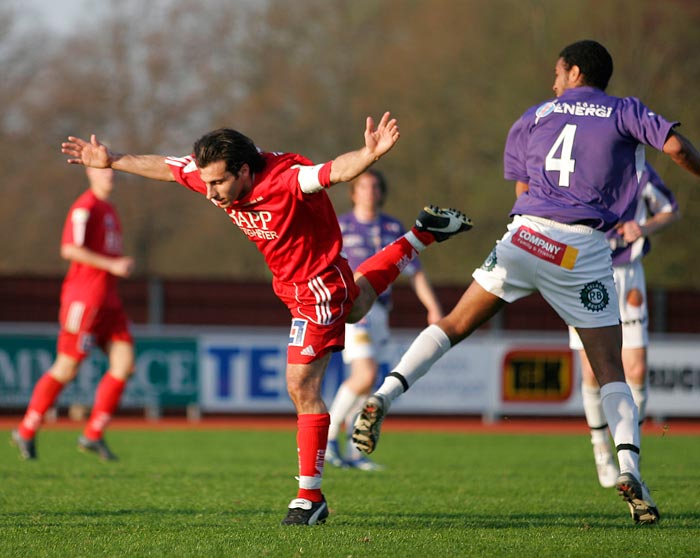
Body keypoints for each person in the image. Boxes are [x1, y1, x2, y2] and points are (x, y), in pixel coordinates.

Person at [59, 112, 472, 526]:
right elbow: (167, 168)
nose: (210, 192)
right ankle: (421, 234)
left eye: (218, 182)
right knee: (359, 304)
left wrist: (368, 154)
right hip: (294, 287)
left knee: (300, 385)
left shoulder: (286, 178)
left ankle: (310, 498)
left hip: (318, 290)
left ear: (242, 169)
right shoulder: (212, 175)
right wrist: (112, 159)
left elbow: (333, 172)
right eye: (206, 182)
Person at [353, 41, 700, 525]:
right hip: (582, 249)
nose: (552, 82)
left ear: (575, 71)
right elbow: (678, 148)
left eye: (557, 73)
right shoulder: (625, 111)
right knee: (610, 372)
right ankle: (629, 470)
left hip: (526, 236)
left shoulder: (534, 116)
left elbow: (522, 189)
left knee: (454, 323)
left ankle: (384, 395)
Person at [11, 167, 136, 462]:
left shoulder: (109, 208)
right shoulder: (85, 207)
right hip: (85, 300)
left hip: (109, 301)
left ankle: (93, 434)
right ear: (89, 173)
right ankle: (27, 429)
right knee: (67, 367)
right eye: (100, 170)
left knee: (124, 363)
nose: (109, 175)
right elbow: (69, 249)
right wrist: (113, 265)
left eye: (110, 168)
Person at [569, 162, 679, 488]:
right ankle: (600, 447)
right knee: (591, 370)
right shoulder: (579, 171)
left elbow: (671, 210)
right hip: (587, 273)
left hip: (628, 274)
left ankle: (631, 452)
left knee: (637, 370)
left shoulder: (642, 173)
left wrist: (643, 229)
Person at [326, 169, 444, 471]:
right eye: (363, 186)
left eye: (375, 186)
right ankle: (327, 439)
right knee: (364, 375)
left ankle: (354, 452)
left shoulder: (392, 226)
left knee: (369, 384)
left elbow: (415, 271)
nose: (370, 191)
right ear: (353, 192)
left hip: (381, 311)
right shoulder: (340, 225)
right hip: (355, 311)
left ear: (382, 192)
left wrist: (432, 307)